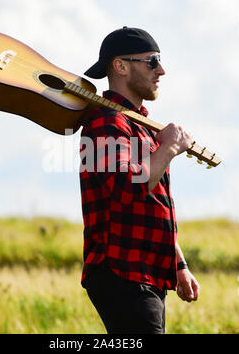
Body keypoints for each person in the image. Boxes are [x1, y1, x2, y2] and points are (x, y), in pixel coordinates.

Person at [79, 26, 200, 334]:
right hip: (121, 270)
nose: (162, 70)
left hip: (145, 271)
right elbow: (127, 188)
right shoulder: (106, 122)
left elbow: (152, 202)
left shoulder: (139, 125)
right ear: (120, 66)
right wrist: (170, 147)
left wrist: (179, 264)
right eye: (152, 61)